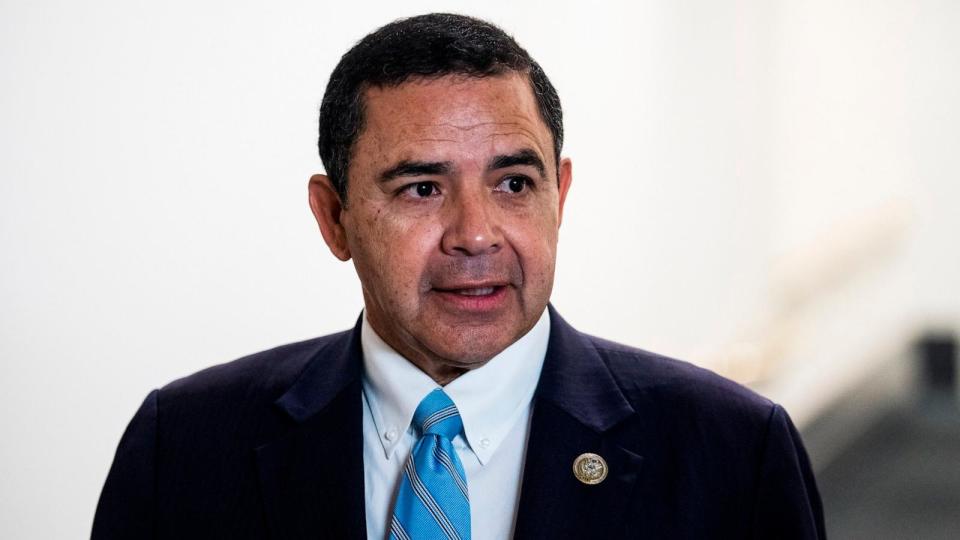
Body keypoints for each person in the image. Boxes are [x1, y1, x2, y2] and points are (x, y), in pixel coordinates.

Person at [92, 13, 825, 540]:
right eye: (421, 189)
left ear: (559, 196)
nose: (476, 234)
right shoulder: (184, 447)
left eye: (513, 184)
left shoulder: (732, 450)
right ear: (334, 218)